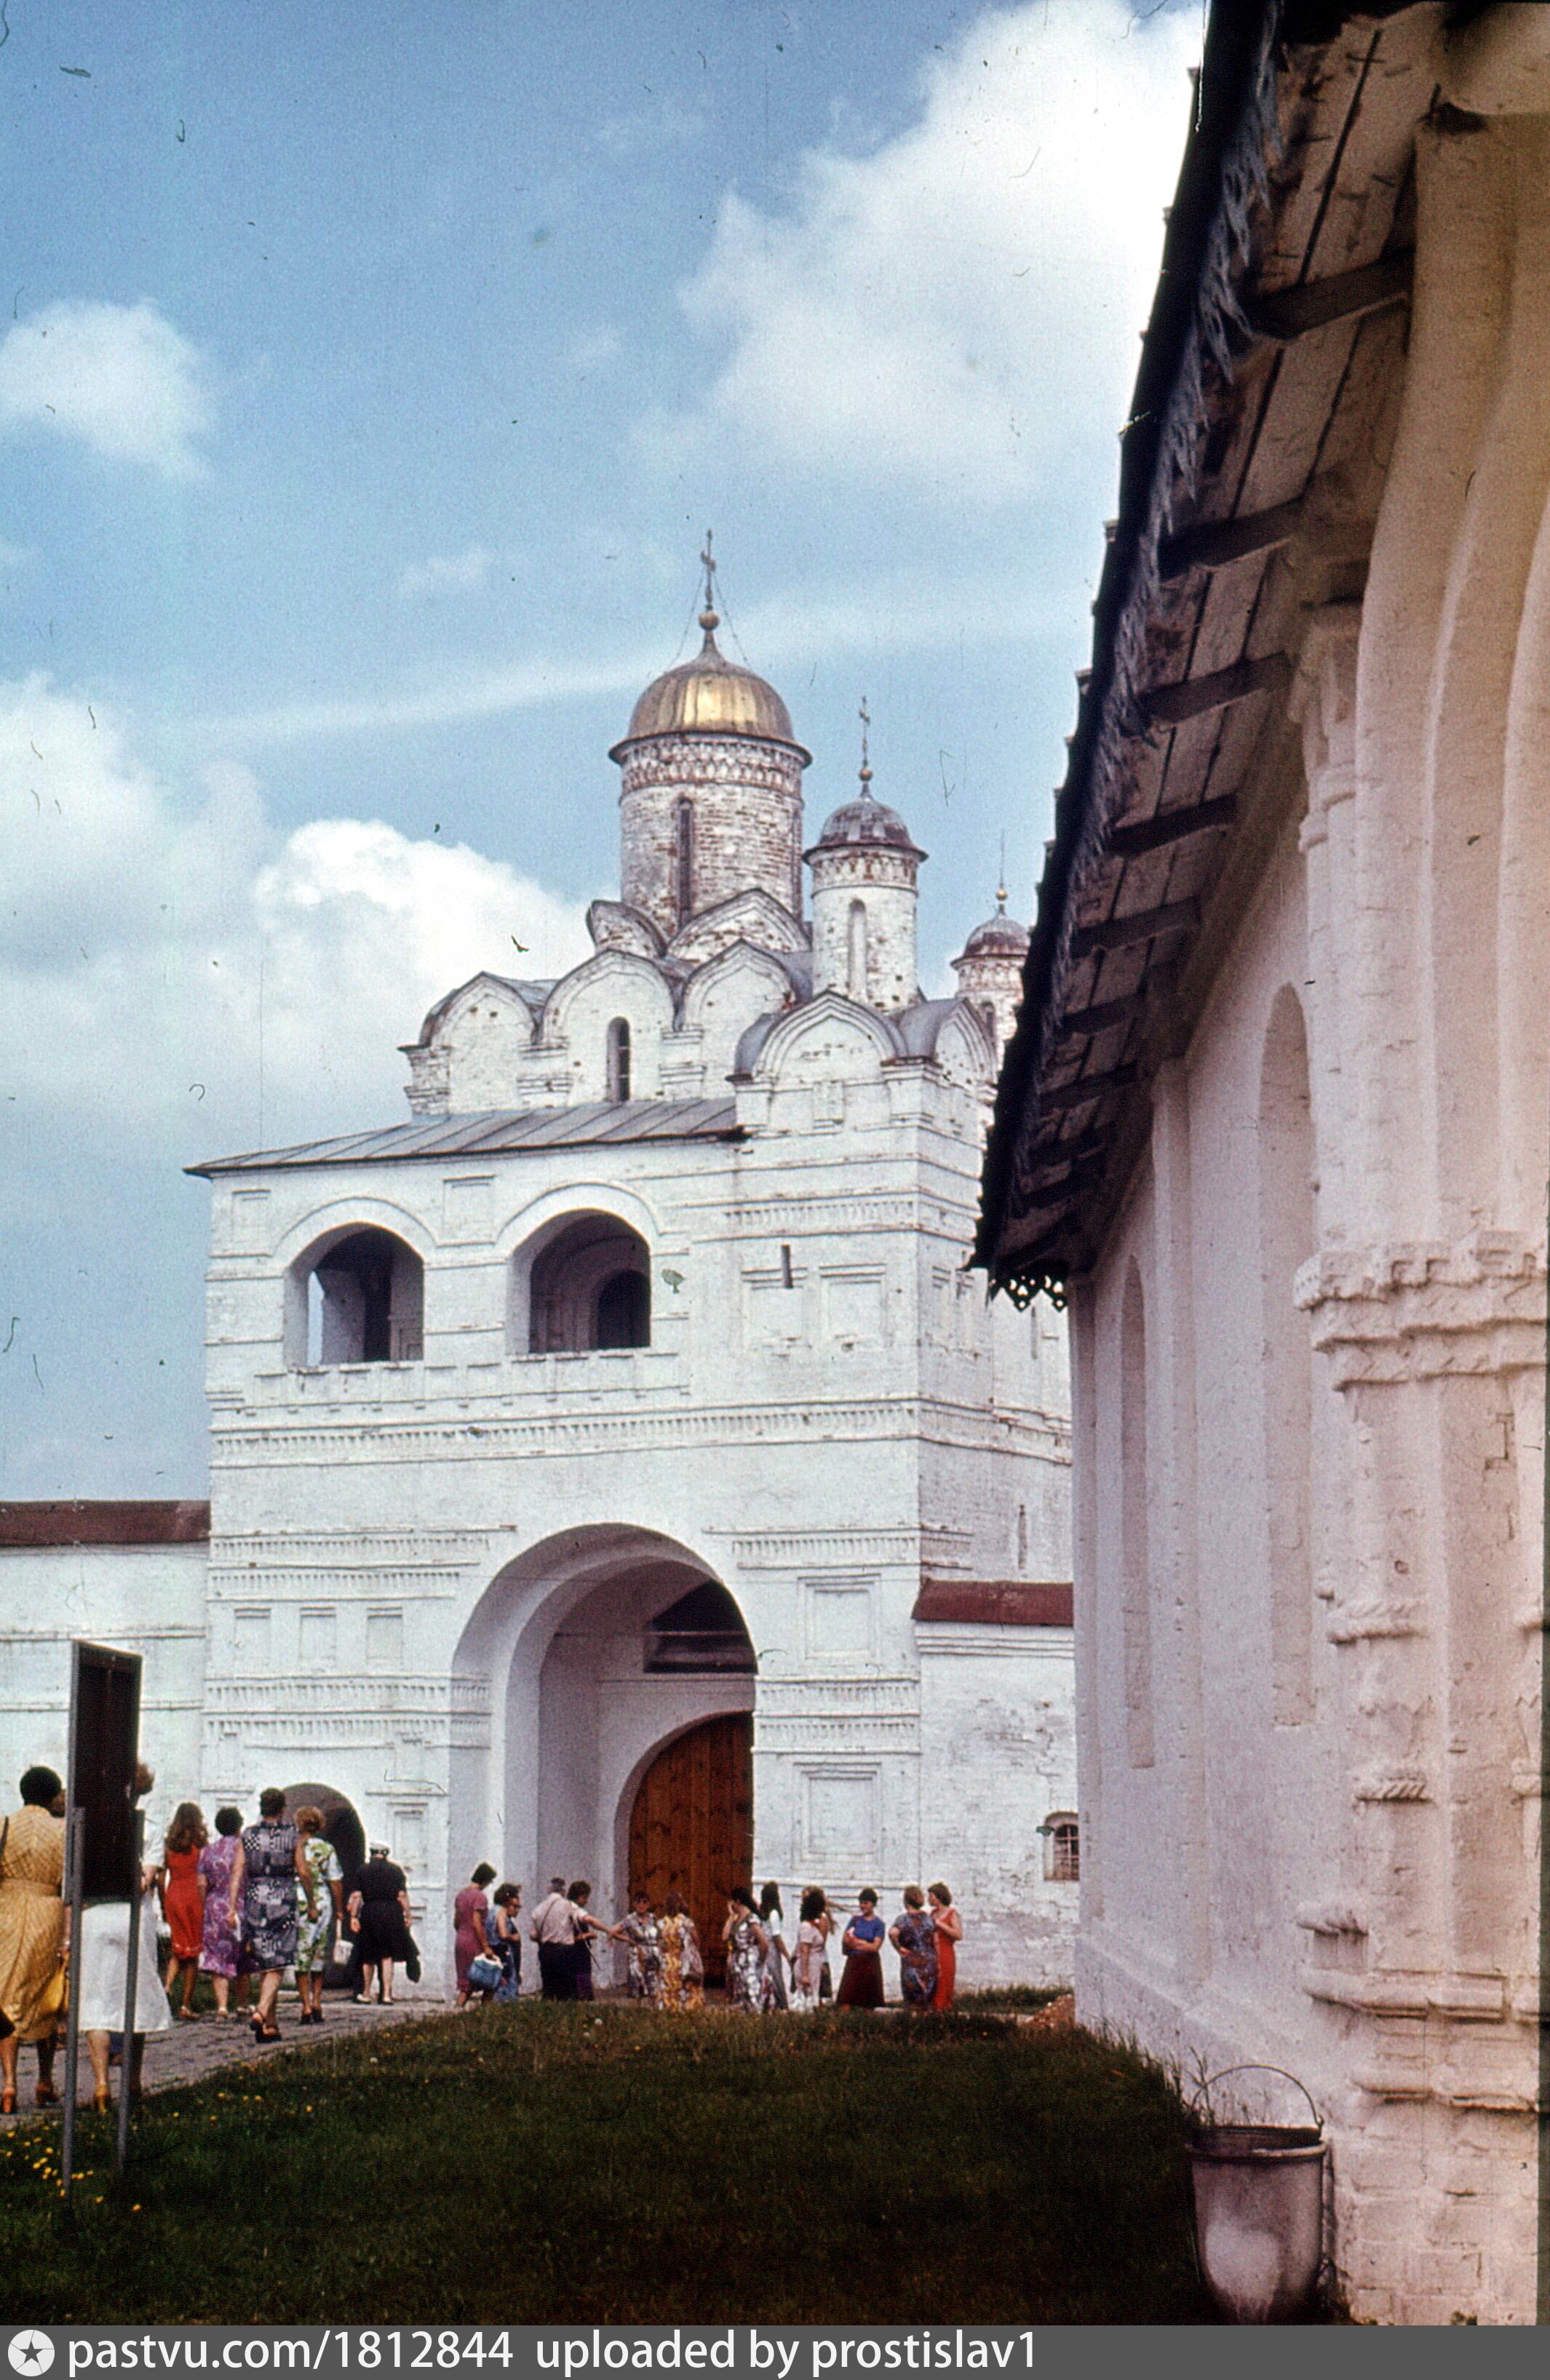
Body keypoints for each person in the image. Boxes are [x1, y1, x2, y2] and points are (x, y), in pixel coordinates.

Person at [79, 1761, 172, 2110]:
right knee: (135, 1997)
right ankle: (132, 2083)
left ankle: (102, 2084)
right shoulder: (150, 1828)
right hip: (134, 1918)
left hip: (95, 1915)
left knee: (96, 2000)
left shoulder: (89, 1828)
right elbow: (146, 1880)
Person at [0, 1765, 66, 2114]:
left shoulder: (4, 1825)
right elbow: (68, 1880)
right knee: (45, 1997)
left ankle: (9, 2084)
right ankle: (44, 2080)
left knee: (7, 1995)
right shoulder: (62, 1831)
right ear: (53, 1796)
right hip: (47, 1912)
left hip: (7, 1911)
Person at [228, 1786, 306, 2042]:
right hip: (283, 1898)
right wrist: (312, 1899)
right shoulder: (292, 1834)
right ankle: (261, 2012)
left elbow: (237, 1872)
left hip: (255, 1899)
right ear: (283, 1809)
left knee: (265, 1960)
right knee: (279, 1961)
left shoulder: (248, 1834)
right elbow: (303, 1870)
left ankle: (270, 2026)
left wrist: (232, 1907)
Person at [197, 1807, 251, 2018]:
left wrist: (205, 1905)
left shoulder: (208, 1851)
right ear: (239, 1825)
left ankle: (222, 2006)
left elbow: (202, 1884)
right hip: (242, 1904)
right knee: (243, 1955)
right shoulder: (245, 1849)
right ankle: (242, 2004)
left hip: (216, 1905)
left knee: (218, 1956)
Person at [294, 1807, 344, 2024]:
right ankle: (317, 2001)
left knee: (302, 1952)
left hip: (299, 1899)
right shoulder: (327, 1848)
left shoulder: (294, 1846)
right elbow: (335, 1881)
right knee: (320, 1952)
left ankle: (305, 2005)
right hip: (322, 1901)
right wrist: (339, 1909)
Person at [159, 1802, 207, 2020]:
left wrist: (163, 1904)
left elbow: (161, 1879)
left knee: (178, 1947)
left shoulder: (169, 1844)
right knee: (193, 1954)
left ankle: (168, 1986)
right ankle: (186, 2005)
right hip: (193, 1896)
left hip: (174, 1894)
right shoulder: (200, 1843)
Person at [348, 1844, 413, 2004]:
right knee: (387, 1956)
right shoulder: (396, 1870)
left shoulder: (362, 1870)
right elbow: (402, 1896)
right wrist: (408, 1915)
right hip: (392, 1913)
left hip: (370, 1912)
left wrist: (353, 1917)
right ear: (385, 1854)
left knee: (368, 1956)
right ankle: (386, 1995)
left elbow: (357, 1896)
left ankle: (366, 1993)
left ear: (371, 1854)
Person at [835, 1887, 886, 2009]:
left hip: (870, 1963)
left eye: (866, 1903)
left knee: (868, 2003)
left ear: (873, 1904)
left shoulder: (879, 1924)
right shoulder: (855, 1920)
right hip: (854, 1962)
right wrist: (864, 1943)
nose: (863, 1906)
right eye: (861, 1903)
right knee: (846, 2001)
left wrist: (856, 1942)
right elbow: (846, 1940)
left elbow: (875, 1947)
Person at [889, 1885, 939, 2010]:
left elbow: (892, 1933)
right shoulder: (929, 1919)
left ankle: (913, 2021)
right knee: (927, 2000)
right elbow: (936, 1941)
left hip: (912, 1961)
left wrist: (899, 1948)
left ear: (906, 1901)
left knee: (913, 2002)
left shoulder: (903, 1919)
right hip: (930, 1962)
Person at [565, 1881, 616, 2002]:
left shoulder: (564, 1908)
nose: (586, 1901)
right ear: (579, 1896)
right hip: (578, 1951)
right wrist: (606, 1930)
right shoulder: (576, 1910)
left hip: (568, 1951)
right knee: (582, 1979)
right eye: (585, 1898)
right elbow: (590, 1920)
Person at [453, 1864, 496, 2005]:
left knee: (466, 1985)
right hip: (474, 1940)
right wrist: (486, 1946)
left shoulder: (461, 1895)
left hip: (461, 1939)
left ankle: (458, 2009)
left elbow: (456, 1921)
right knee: (490, 1980)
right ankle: (486, 2011)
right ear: (486, 1879)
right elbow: (476, 1923)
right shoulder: (480, 1897)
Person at [530, 1876, 577, 2001]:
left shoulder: (538, 1909)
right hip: (564, 1951)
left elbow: (533, 1935)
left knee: (548, 1989)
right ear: (564, 1891)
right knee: (566, 1991)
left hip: (546, 1950)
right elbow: (581, 1919)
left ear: (549, 1890)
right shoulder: (569, 1906)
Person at [722, 1887, 768, 2012]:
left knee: (751, 1995)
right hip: (737, 1963)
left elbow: (763, 1942)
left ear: (737, 1901)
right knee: (740, 1997)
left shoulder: (751, 1919)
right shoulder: (736, 1920)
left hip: (749, 1961)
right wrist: (731, 1917)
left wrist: (761, 1960)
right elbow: (725, 1937)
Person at [616, 1889, 662, 2006]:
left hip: (652, 1954)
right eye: (638, 1902)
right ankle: (637, 2008)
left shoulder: (653, 1918)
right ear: (634, 1904)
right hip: (637, 1955)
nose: (641, 1905)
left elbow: (659, 1936)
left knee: (653, 1985)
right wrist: (628, 1940)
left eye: (645, 1902)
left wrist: (660, 1952)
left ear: (649, 1904)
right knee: (637, 1983)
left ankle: (653, 2009)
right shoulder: (630, 1919)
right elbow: (613, 1932)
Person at [658, 1892, 702, 2012]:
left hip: (667, 1959)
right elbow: (696, 1939)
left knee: (668, 1984)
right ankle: (685, 2009)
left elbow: (659, 1943)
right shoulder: (686, 1922)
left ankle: (669, 2007)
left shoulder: (661, 1923)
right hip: (682, 1958)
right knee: (684, 1986)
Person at [791, 1887, 830, 2012]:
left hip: (814, 1964)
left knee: (814, 1996)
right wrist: (805, 1975)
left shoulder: (813, 1926)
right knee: (806, 2001)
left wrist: (821, 1963)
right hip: (808, 1966)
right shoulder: (806, 1927)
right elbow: (804, 1951)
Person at [929, 1881, 961, 2012]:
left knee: (944, 1981)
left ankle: (943, 2009)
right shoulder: (932, 1913)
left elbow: (958, 1934)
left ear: (939, 1897)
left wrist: (940, 1924)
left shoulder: (952, 1913)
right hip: (933, 1952)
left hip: (945, 1951)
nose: (929, 1899)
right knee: (933, 1982)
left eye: (932, 1896)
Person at [758, 1882, 790, 2011]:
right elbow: (777, 1937)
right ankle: (781, 2005)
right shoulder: (774, 1914)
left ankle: (766, 2004)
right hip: (771, 1948)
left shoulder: (762, 1913)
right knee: (776, 1976)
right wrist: (787, 1955)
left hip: (762, 1947)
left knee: (765, 1976)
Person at [489, 1883, 522, 2001]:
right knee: (507, 1986)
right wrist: (514, 1937)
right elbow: (503, 1934)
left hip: (494, 1952)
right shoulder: (501, 1911)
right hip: (504, 1953)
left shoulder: (492, 1911)